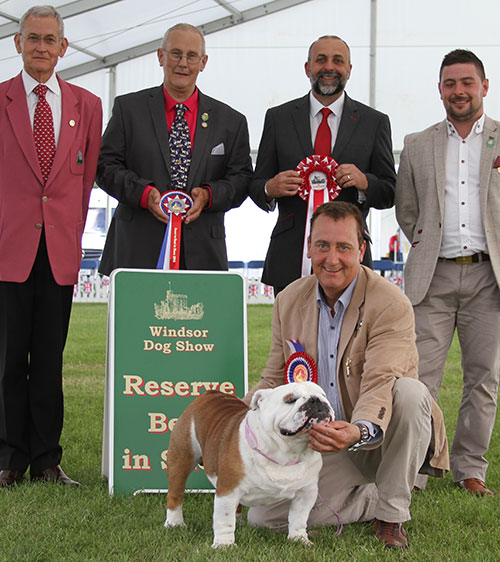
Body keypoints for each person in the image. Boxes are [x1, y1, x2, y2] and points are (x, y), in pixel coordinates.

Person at [244, 201, 449, 549]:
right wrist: (232, 420)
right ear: (309, 246)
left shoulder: (391, 302)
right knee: (264, 517)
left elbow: (381, 380)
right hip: (321, 441)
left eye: (343, 247)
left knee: (412, 393)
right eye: (322, 246)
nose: (332, 258)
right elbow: (273, 379)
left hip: (378, 436)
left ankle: (391, 512)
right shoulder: (289, 299)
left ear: (362, 250)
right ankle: (376, 493)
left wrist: (356, 431)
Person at [0, 5, 102, 487]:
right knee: (6, 358)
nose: (41, 47)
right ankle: (8, 458)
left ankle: (45, 459)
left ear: (64, 48)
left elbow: (83, 183)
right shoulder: (1, 100)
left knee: (49, 357)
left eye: (50, 40)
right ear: (17, 44)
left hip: (60, 252)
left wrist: (72, 232)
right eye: (32, 38)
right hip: (7, 250)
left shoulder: (87, 105)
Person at [396, 49, 500, 497]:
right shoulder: (417, 143)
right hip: (431, 277)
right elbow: (407, 211)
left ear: (484, 86)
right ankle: (418, 467)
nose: (459, 91)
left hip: (489, 277)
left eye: (467, 82)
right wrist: (429, 247)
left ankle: (469, 468)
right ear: (440, 89)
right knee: (420, 380)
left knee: (484, 378)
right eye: (450, 83)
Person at [97, 23, 252, 275]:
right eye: (176, 54)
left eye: (191, 56)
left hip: (202, 254)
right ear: (161, 56)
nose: (183, 63)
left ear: (203, 62)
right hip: (136, 250)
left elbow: (241, 179)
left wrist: (208, 195)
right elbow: (105, 167)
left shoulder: (231, 121)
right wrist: (144, 194)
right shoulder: (128, 109)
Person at [249, 35, 396, 293]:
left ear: (349, 70)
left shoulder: (374, 122)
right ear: (308, 68)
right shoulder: (278, 118)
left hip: (351, 258)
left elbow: (389, 192)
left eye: (338, 61)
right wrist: (270, 188)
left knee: (352, 333)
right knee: (292, 334)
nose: (329, 67)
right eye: (321, 60)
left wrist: (365, 182)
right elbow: (255, 185)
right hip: (290, 257)